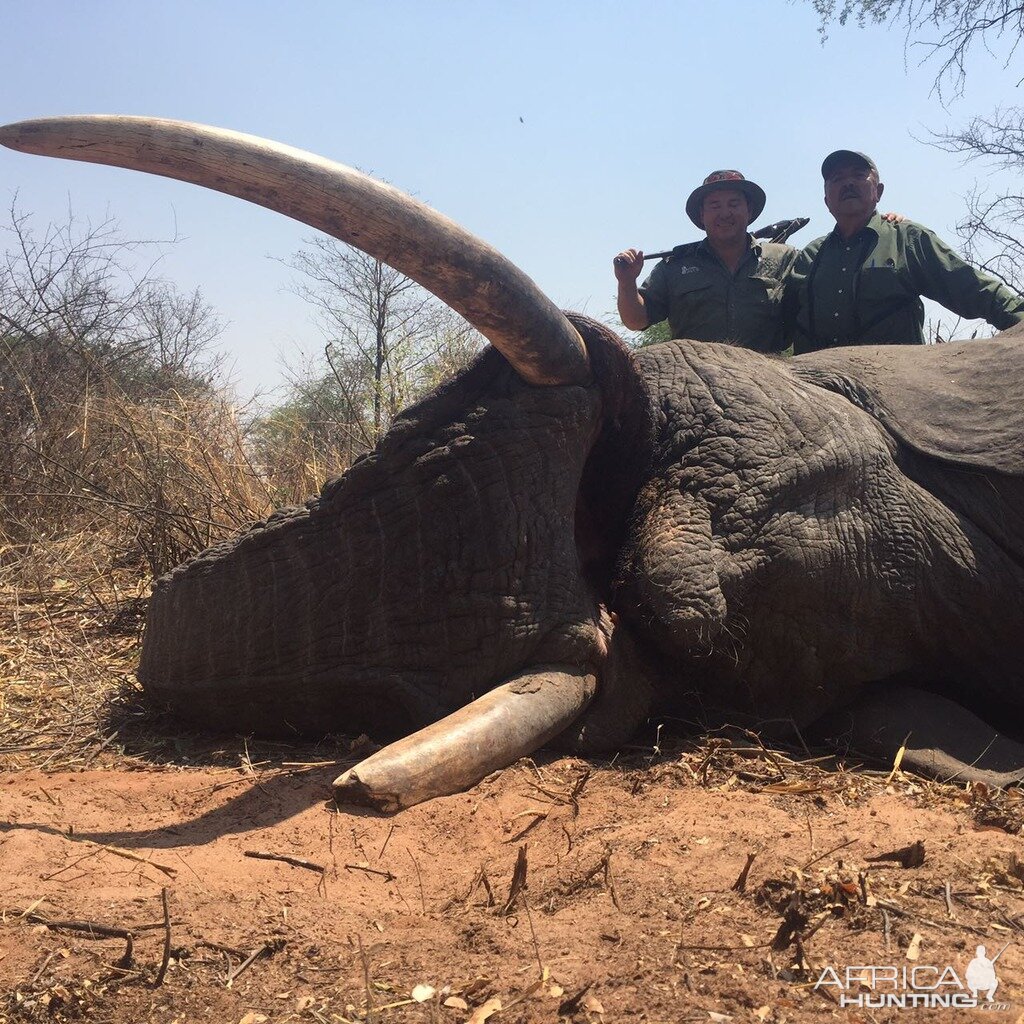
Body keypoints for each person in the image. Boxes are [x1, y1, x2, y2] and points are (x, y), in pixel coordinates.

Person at [787, 150, 1024, 353]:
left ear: (878, 191)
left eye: (859, 176)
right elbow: (769, 318)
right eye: (837, 178)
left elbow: (972, 288)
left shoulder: (908, 239)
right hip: (815, 393)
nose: (848, 183)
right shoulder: (810, 256)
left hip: (895, 388)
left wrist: (1019, 319)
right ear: (827, 200)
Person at [614, 170, 797, 353]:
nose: (725, 213)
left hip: (767, 378)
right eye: (715, 206)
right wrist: (626, 282)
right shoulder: (675, 266)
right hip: (695, 378)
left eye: (733, 204)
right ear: (702, 215)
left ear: (749, 210)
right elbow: (635, 320)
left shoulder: (784, 258)